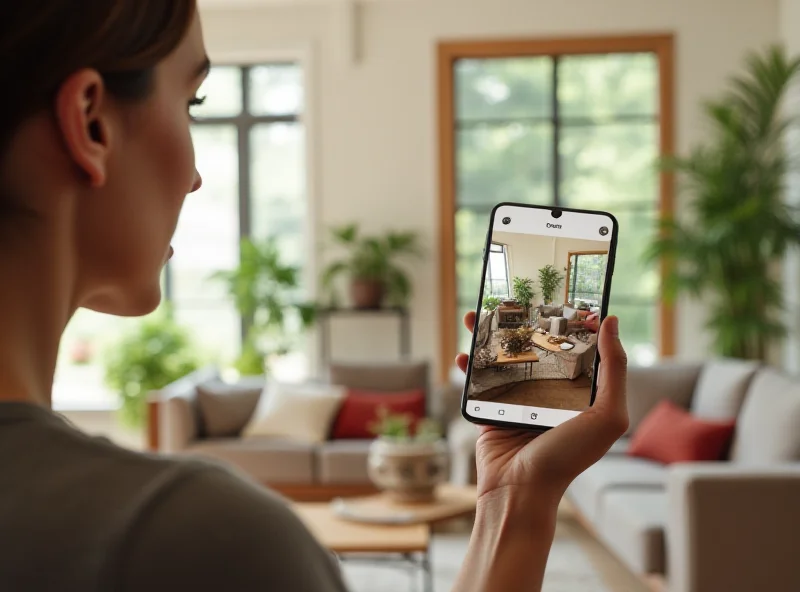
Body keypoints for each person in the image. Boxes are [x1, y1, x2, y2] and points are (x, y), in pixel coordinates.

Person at [0, 1, 629, 590]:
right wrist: (523, 502)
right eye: (191, 102)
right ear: (90, 123)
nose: (195, 177)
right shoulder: (196, 540)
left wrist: (513, 490)